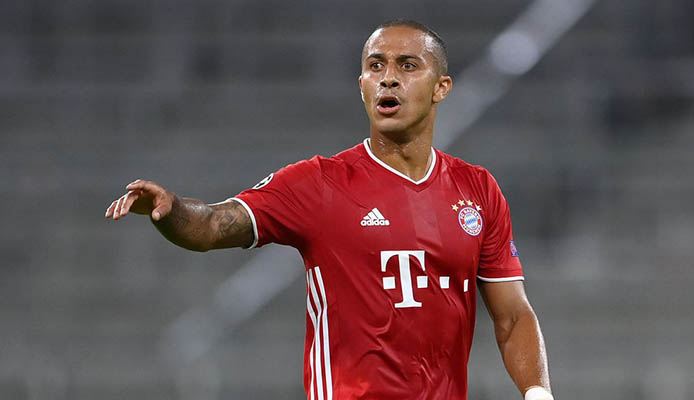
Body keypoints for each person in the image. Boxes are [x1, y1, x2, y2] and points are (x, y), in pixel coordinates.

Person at [105, 19, 553, 400]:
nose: (388, 78)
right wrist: (172, 209)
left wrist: (537, 392)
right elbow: (212, 226)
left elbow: (513, 315)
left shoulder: (477, 190)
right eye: (375, 66)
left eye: (407, 65)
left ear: (441, 88)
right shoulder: (318, 183)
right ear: (362, 86)